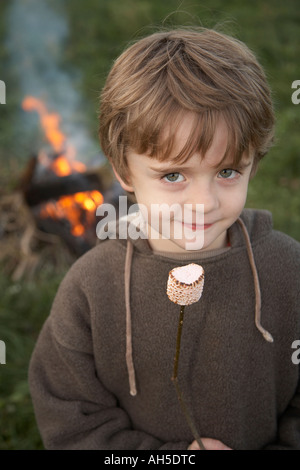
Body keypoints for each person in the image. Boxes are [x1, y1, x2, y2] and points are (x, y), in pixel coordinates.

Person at [29, 28, 300, 450]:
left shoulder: (289, 271)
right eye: (173, 175)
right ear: (123, 171)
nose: (203, 202)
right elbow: (73, 422)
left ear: (253, 163)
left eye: (227, 171)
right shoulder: (91, 288)